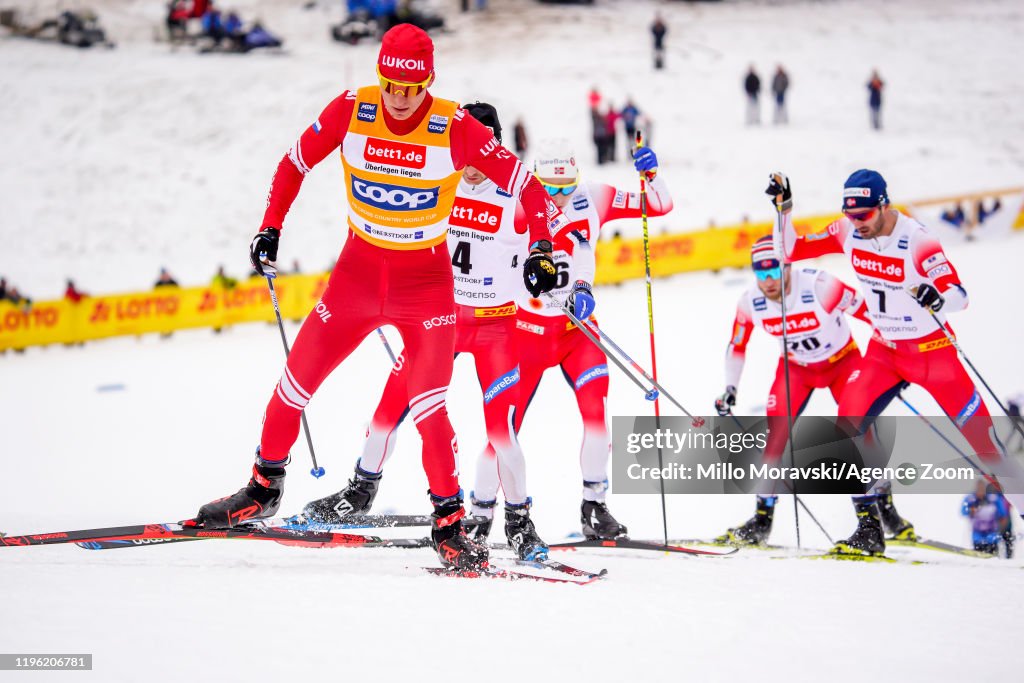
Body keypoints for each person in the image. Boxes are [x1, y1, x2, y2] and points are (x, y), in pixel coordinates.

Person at [188, 25, 560, 572]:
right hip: (357, 277)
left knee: (430, 412)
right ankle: (263, 489)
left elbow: (528, 185)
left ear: (429, 81)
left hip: (426, 287)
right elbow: (293, 163)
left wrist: (542, 249)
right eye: (391, 85)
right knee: (293, 386)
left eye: (411, 88)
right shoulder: (351, 109)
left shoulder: (454, 126)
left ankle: (450, 525)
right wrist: (271, 227)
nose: (399, 98)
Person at [301, 103, 578, 562]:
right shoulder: (437, 182)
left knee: (502, 431)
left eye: (479, 155)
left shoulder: (516, 196)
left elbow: (556, 232)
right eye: (463, 154)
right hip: (437, 320)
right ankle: (360, 490)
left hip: (494, 328)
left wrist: (547, 264)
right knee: (389, 408)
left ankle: (519, 521)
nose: (469, 167)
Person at [770, 168, 1024, 555]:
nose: (857, 224)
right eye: (851, 215)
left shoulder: (918, 239)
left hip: (930, 354)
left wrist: (938, 299)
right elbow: (788, 250)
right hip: (884, 353)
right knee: (846, 429)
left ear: (884, 205)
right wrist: (783, 209)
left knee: (984, 443)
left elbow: (959, 294)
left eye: (865, 216)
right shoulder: (846, 230)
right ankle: (869, 528)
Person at [475, 138, 672, 539]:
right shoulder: (514, 200)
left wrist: (651, 174)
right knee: (503, 429)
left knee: (597, 416)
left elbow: (658, 206)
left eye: (567, 187)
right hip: (525, 334)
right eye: (550, 188)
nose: (559, 197)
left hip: (576, 332)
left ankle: (594, 506)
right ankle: (480, 512)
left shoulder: (595, 197)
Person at [714, 236, 870, 545]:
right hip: (796, 369)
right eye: (760, 272)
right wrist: (731, 387)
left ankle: (877, 515)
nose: (768, 280)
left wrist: (893, 360)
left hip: (843, 362)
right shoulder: (750, 302)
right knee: (775, 438)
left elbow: (870, 314)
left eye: (774, 270)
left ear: (788, 266)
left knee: (857, 433)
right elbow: (737, 345)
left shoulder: (820, 285)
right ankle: (762, 519)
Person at [962, 481, 1012, 557]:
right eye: (979, 489)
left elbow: (1003, 514)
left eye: (982, 489)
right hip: (977, 536)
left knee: (992, 557)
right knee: (978, 556)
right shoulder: (970, 499)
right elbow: (963, 511)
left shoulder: (993, 499)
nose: (980, 491)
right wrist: (970, 511)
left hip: (992, 536)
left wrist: (1002, 528)